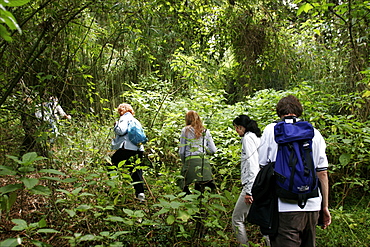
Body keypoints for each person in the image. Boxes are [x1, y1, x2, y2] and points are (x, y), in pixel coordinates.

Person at [258, 95, 331, 247]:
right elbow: (322, 173)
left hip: (284, 206)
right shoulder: (314, 132)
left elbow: (263, 166)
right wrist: (324, 206)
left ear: (279, 112)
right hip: (312, 205)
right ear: (299, 111)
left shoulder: (271, 130)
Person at [231, 115, 264, 246]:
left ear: (242, 127)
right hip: (261, 183)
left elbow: (252, 163)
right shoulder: (257, 137)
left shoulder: (248, 138)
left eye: (237, 128)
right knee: (263, 219)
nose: (236, 131)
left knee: (237, 219)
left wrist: (250, 190)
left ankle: (243, 244)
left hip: (252, 184)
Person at [111, 103, 146, 202]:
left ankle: (114, 186)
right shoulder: (136, 120)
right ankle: (140, 194)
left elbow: (121, 131)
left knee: (112, 163)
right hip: (138, 148)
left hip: (127, 147)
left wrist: (116, 125)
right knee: (136, 170)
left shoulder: (124, 118)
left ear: (121, 110)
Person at [179, 110, 217, 194]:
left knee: (182, 182)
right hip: (204, 163)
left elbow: (182, 151)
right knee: (203, 187)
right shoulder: (205, 131)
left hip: (190, 162)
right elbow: (213, 150)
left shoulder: (185, 130)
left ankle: (189, 201)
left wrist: (184, 163)